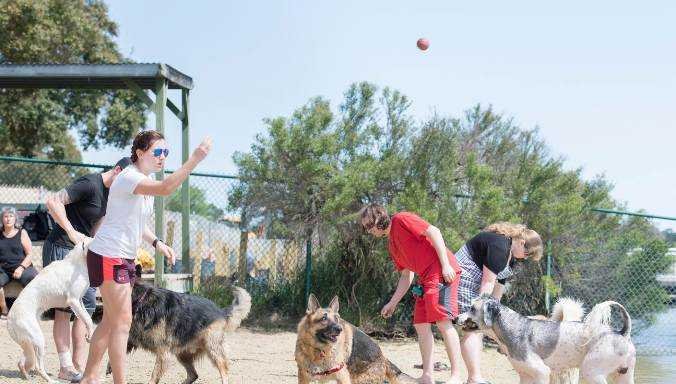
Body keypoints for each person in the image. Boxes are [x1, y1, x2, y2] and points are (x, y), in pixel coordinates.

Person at [79, 130, 211, 384]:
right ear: (140, 153)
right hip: (110, 255)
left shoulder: (142, 181)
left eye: (166, 153)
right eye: (157, 152)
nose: (163, 157)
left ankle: (89, 377)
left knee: (110, 321)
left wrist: (157, 242)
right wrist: (194, 159)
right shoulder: (129, 176)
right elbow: (167, 187)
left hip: (121, 257)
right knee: (123, 323)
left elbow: (137, 223)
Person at [43, 157, 131, 382]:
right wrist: (72, 232)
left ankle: (79, 366)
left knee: (87, 306)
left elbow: (98, 225)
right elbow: (53, 201)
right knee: (64, 308)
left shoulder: (113, 195)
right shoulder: (90, 184)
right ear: (117, 170)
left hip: (86, 253)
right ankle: (64, 367)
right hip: (62, 246)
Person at [360, 204, 464, 384]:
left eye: (369, 225)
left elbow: (434, 231)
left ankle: (456, 376)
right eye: (365, 228)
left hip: (440, 271)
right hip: (424, 280)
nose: (368, 231)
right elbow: (407, 275)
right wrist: (393, 302)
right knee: (421, 325)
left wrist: (446, 264)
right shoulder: (392, 245)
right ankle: (427, 376)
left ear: (379, 217)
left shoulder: (401, 219)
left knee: (443, 322)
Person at [455, 222, 543, 384]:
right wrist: (480, 311)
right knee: (473, 329)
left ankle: (474, 377)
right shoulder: (500, 246)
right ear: (522, 243)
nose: (526, 258)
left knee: (478, 328)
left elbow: (498, 286)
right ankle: (474, 378)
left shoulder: (510, 255)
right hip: (462, 279)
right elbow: (487, 283)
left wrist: (494, 314)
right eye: (527, 254)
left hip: (475, 283)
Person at [0, 206, 38, 318]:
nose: (8, 219)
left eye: (11, 216)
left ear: (15, 218)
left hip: (22, 267)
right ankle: (4, 309)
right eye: (5, 216)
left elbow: (30, 254)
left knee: (32, 278)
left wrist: (21, 267)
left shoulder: (22, 233)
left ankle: (29, 309)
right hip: (4, 269)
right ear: (2, 219)